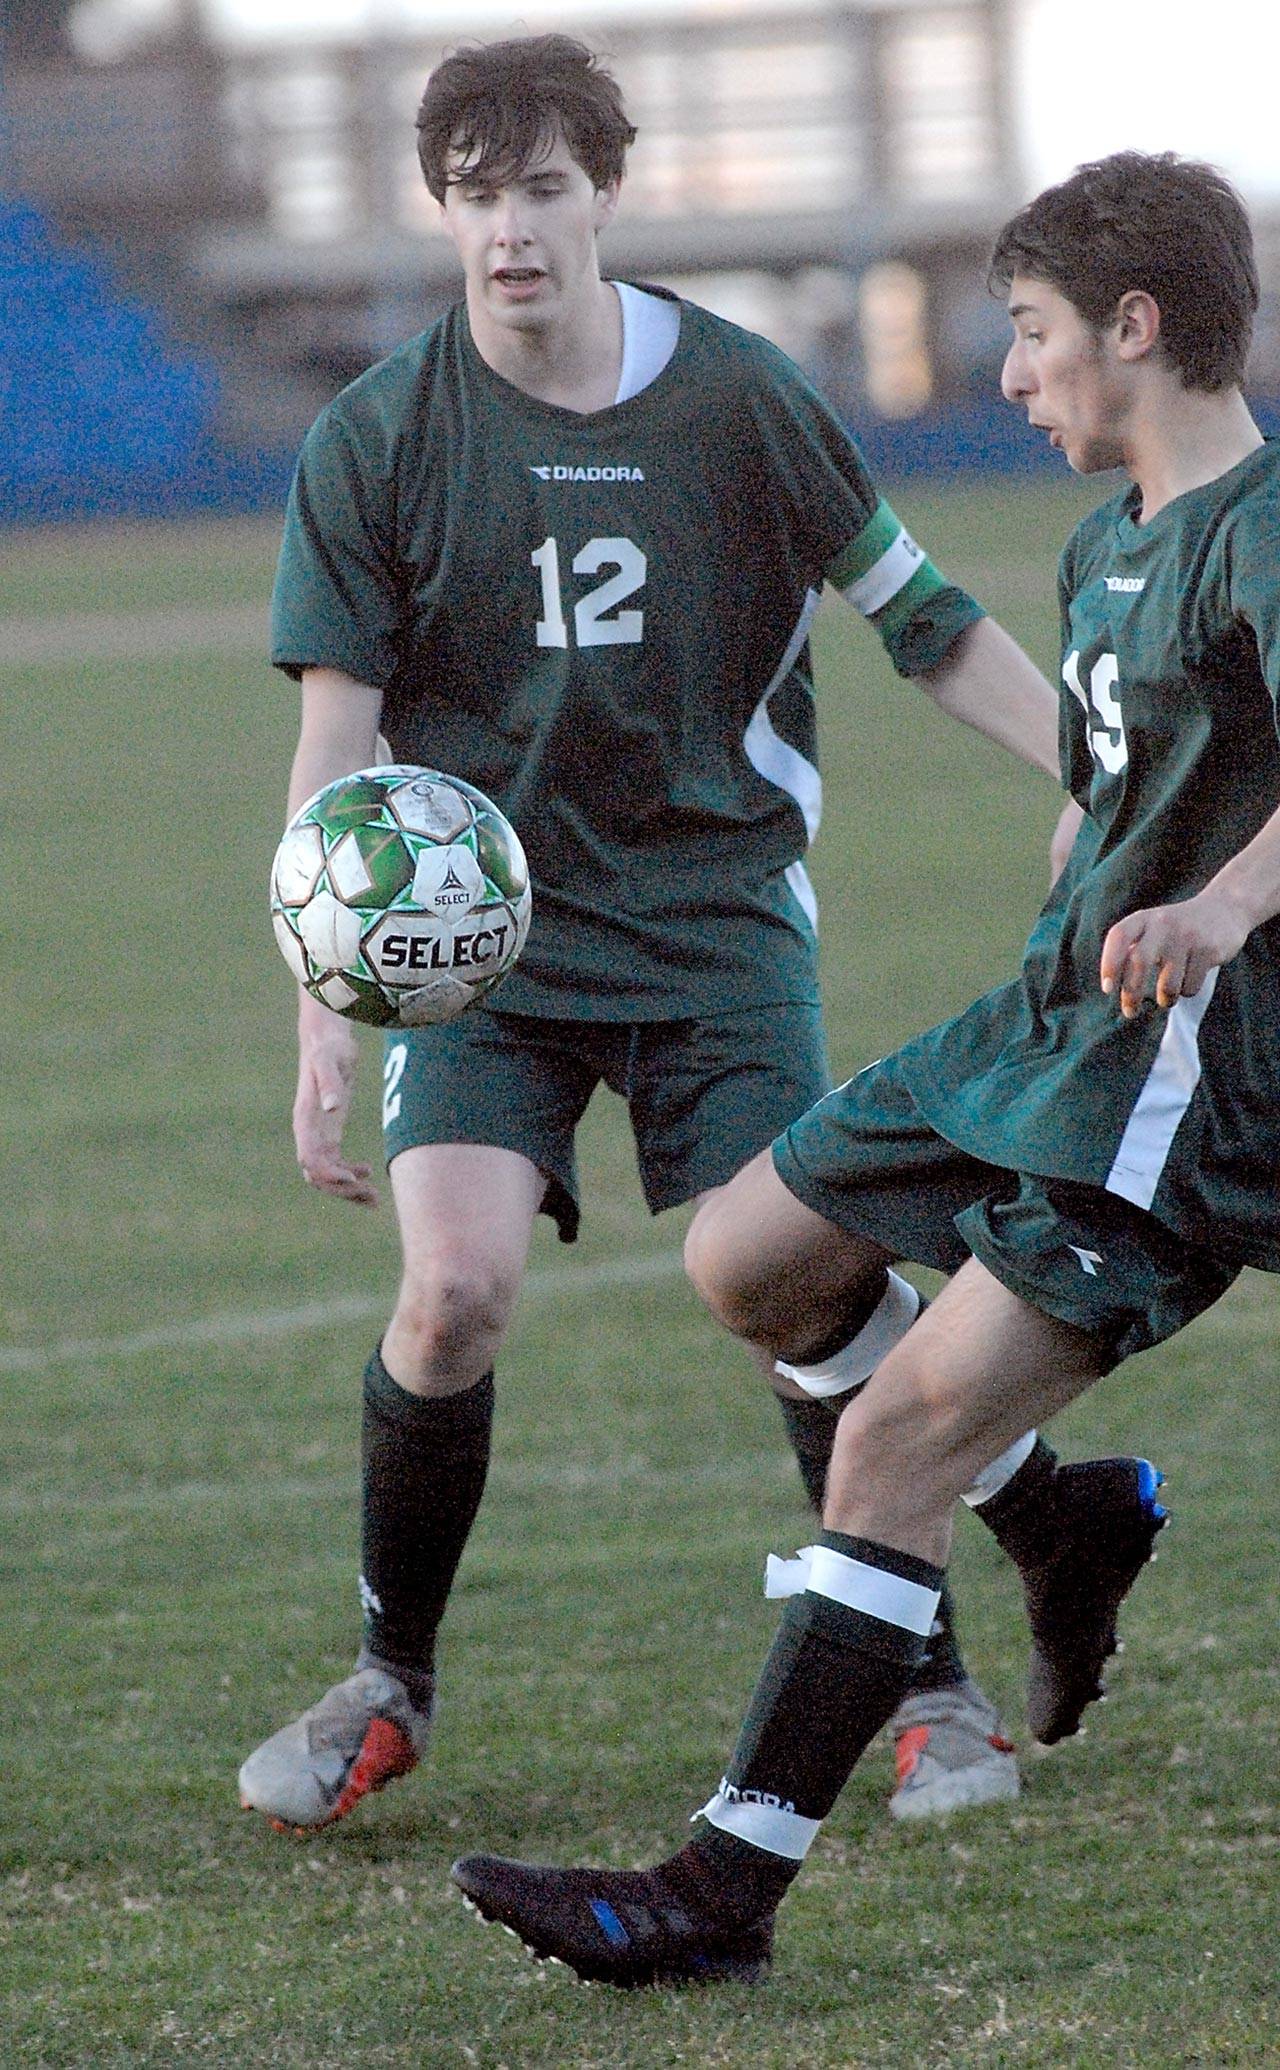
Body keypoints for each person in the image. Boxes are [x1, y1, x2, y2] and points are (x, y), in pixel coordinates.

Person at [449, 147, 1279, 1988]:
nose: (1012, 375)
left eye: (1036, 334)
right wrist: (1105, 839)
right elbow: (1130, 764)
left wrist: (1220, 901)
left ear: (1138, 330)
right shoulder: (1106, 541)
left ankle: (710, 1898)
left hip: (1182, 1078)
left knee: (893, 1439)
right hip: (1049, 1021)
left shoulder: (1268, 522)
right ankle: (1064, 1514)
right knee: (749, 1257)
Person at [239, 32, 1083, 1838]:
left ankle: (929, 1689)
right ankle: (390, 1676)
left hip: (714, 916)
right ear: (444, 211)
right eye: (477, 196)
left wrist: (1090, 771)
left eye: (544, 190)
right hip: (481, 944)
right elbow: (335, 735)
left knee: (800, 1283)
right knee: (450, 1293)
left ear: (606, 193)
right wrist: (325, 1001)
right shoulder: (377, 434)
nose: (512, 231)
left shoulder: (742, 400)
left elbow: (920, 617)